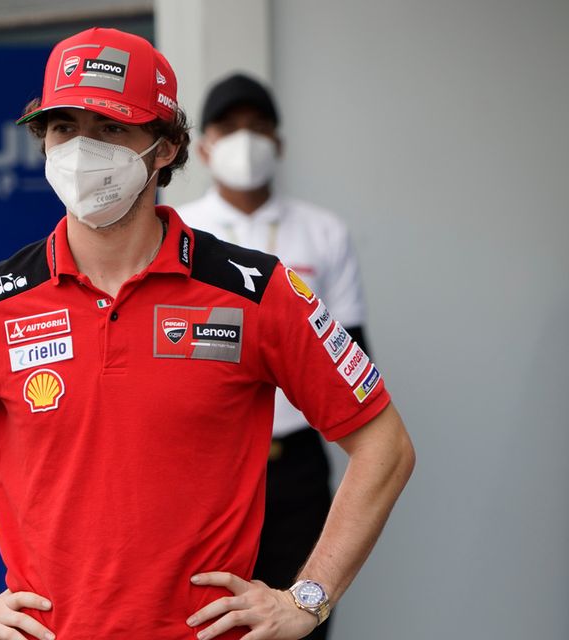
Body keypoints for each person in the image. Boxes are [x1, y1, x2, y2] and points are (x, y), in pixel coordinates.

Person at [0, 28, 415, 640]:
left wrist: (308, 597)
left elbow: (384, 446)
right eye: (63, 127)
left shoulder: (255, 291)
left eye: (111, 129)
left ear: (166, 147)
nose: (81, 150)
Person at [177, 72, 370, 639]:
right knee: (202, 622)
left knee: (298, 620)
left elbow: (354, 358)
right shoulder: (178, 228)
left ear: (279, 143)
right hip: (204, 464)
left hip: (296, 465)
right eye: (229, 127)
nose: (245, 139)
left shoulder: (324, 231)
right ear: (203, 144)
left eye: (258, 127)